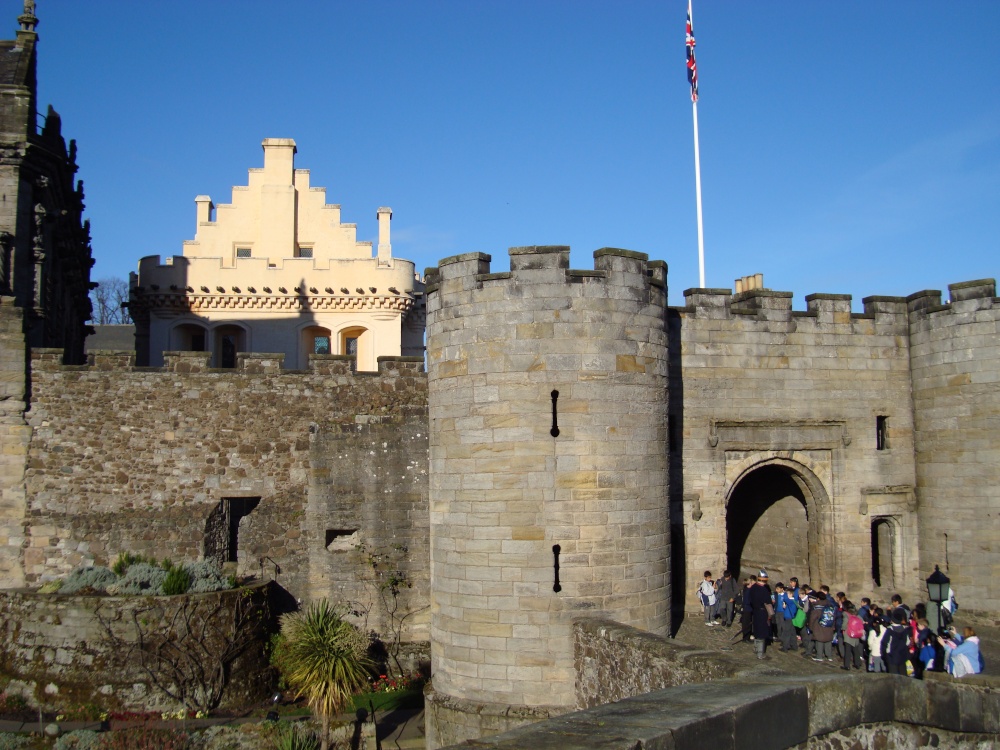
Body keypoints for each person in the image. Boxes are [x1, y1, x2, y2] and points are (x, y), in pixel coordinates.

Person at [748, 570, 773, 660]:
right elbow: (768, 602)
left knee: (756, 631)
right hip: (762, 612)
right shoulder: (763, 590)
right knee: (761, 633)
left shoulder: (753, 587)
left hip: (755, 611)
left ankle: (755, 649)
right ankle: (760, 653)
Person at [882, 607, 911, 675]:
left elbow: (885, 643)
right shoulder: (905, 630)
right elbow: (908, 642)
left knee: (893, 676)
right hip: (902, 656)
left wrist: (885, 654)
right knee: (903, 675)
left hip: (892, 657)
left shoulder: (890, 630)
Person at [808, 592, 836, 662]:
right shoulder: (830, 605)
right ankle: (829, 656)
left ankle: (819, 656)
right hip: (829, 626)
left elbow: (812, 618)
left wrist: (811, 627)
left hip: (819, 627)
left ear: (818, 598)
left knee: (819, 641)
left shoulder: (817, 607)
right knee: (828, 641)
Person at [775, 581, 798, 652]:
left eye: (787, 594)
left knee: (786, 633)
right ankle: (794, 646)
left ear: (790, 594)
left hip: (789, 619)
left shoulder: (791, 601)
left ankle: (785, 647)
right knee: (792, 633)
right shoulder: (793, 601)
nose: (786, 594)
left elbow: (785, 598)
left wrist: (785, 592)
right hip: (791, 618)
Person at [841, 602, 865, 670]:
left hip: (848, 635)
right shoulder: (857, 615)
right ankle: (857, 663)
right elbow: (862, 621)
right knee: (856, 650)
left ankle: (847, 665)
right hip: (856, 634)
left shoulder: (846, 615)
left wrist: (843, 629)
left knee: (847, 651)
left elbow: (844, 625)